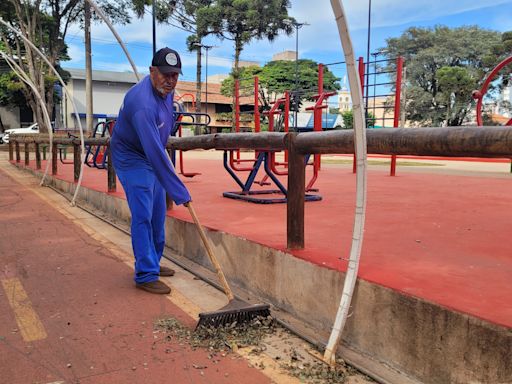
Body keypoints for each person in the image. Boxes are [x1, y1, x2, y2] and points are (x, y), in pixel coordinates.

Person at [110, 47, 191, 294]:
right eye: (165, 74)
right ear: (152, 71)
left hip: (149, 151)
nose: (170, 80)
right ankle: (145, 274)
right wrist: (180, 191)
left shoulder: (167, 91)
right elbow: (155, 153)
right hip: (131, 157)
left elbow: (160, 140)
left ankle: (153, 262)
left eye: (175, 75)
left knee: (158, 211)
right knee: (143, 213)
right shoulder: (142, 103)